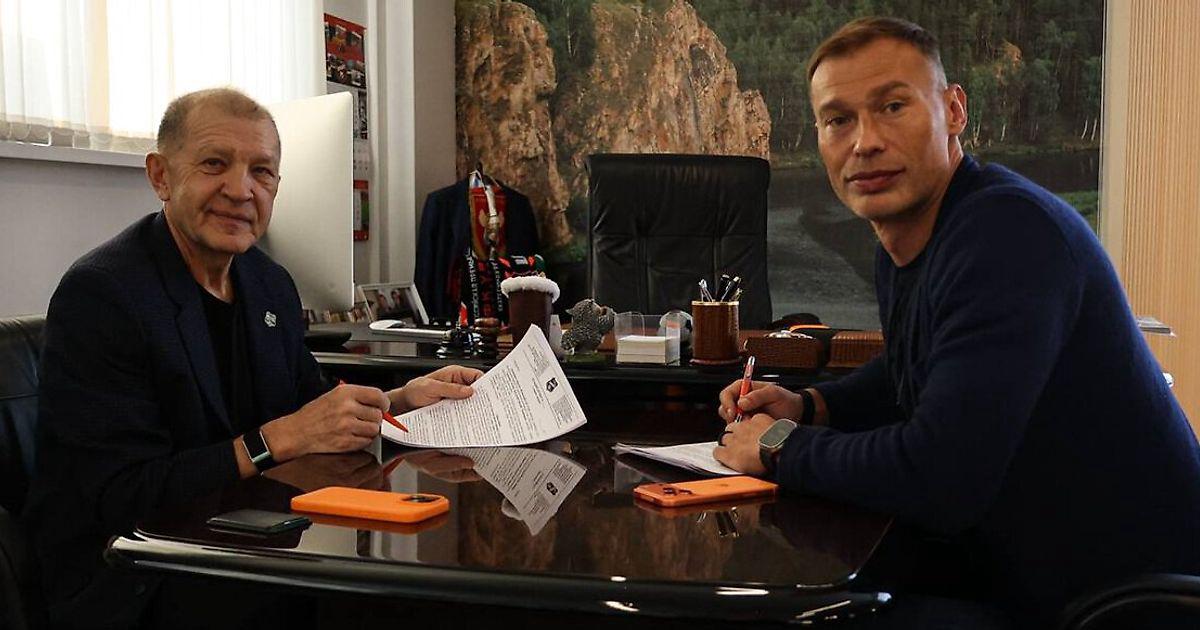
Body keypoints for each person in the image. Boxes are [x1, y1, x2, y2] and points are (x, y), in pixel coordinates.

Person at [714, 16, 1200, 626]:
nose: (864, 141)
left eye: (893, 107)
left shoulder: (1008, 234)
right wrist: (809, 405)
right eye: (838, 120)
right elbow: (913, 369)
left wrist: (780, 445)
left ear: (953, 110)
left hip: (1114, 604)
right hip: (1020, 564)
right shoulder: (917, 237)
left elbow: (940, 478)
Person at [22, 88, 484, 629]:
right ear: (161, 176)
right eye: (215, 164)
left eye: (261, 172)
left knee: (429, 591)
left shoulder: (268, 283)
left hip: (244, 540)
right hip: (133, 572)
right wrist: (273, 440)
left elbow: (309, 404)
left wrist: (399, 400)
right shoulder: (103, 295)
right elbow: (121, 494)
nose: (241, 190)